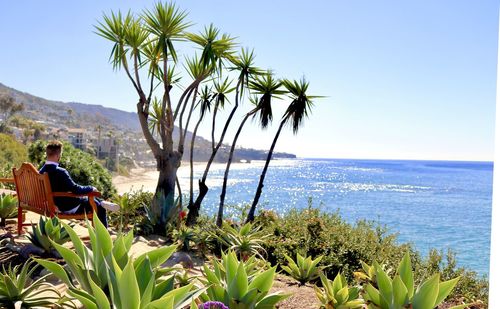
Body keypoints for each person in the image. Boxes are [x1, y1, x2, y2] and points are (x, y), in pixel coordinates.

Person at [39, 140, 119, 227]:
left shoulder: (41, 171)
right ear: (58, 155)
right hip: (67, 207)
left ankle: (102, 202)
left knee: (91, 200)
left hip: (54, 204)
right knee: (99, 208)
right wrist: (91, 188)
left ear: (47, 154)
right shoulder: (60, 172)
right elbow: (76, 189)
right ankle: (103, 238)